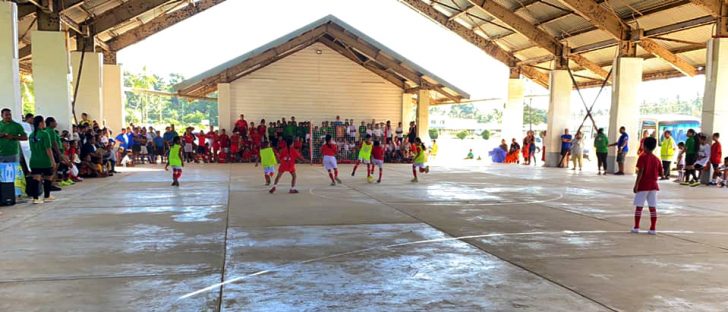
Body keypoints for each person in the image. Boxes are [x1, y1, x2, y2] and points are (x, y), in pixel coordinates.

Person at [631, 136, 662, 235]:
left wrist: (636, 185)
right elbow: (661, 173)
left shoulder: (642, 157)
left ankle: (636, 226)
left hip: (643, 185)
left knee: (639, 206)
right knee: (652, 207)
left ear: (644, 146)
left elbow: (640, 172)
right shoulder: (657, 159)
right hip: (653, 185)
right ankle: (653, 228)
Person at [28, 116, 56, 204]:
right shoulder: (45, 134)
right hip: (44, 160)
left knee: (36, 178)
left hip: (34, 160)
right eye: (43, 122)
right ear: (40, 123)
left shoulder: (31, 135)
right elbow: (48, 149)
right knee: (48, 177)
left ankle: (35, 198)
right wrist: (52, 160)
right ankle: (47, 196)